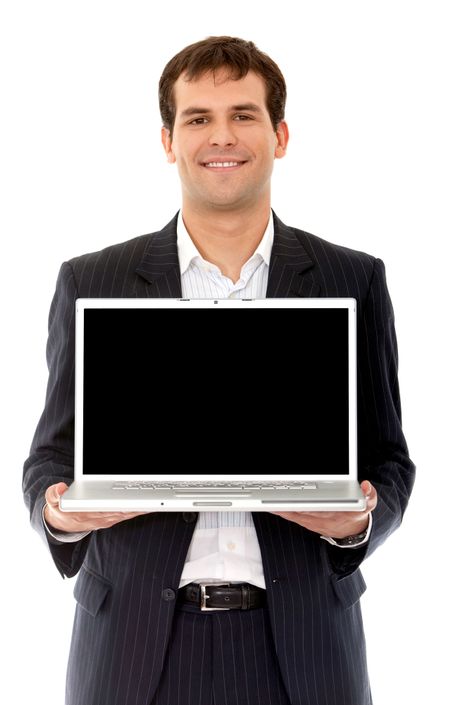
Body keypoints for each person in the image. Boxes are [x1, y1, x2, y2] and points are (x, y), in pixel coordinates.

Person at [23, 36, 415, 705]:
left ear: (280, 134)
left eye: (243, 113)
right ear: (168, 140)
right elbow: (49, 457)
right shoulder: (94, 280)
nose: (221, 136)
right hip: (135, 648)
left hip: (302, 646)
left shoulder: (353, 279)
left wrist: (359, 518)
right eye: (198, 118)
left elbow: (389, 461)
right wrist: (61, 512)